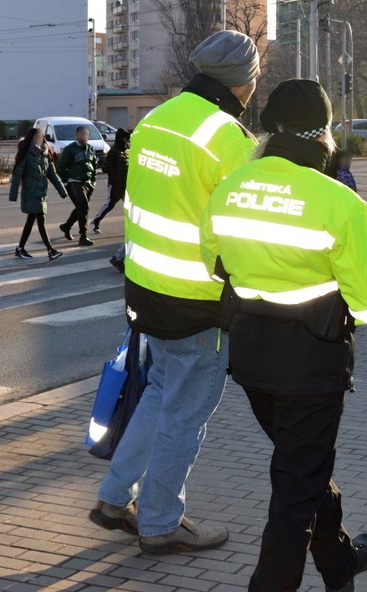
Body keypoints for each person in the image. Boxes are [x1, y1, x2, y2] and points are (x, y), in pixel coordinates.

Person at [199, 80, 367, 592]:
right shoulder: (339, 202)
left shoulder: (232, 186)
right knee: (294, 490)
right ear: (323, 133)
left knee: (300, 470)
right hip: (312, 366)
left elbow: (214, 263)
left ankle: (339, 563)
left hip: (252, 361)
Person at [89, 30, 260, 555]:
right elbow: (242, 229)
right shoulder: (230, 140)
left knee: (160, 394)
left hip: (145, 290)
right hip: (199, 303)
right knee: (184, 415)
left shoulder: (156, 120)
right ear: (242, 83)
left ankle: (116, 498)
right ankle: (162, 523)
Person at [8, 127, 66, 260]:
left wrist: (62, 190)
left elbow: (53, 174)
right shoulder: (27, 154)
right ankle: (50, 250)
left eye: (42, 137)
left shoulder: (45, 154)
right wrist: (13, 195)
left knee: (30, 221)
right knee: (41, 219)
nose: (40, 139)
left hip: (41, 193)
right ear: (32, 138)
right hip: (31, 192)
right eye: (37, 137)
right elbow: (17, 174)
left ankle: (20, 248)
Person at [57, 126, 98, 246]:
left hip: (88, 182)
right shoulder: (70, 149)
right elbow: (60, 167)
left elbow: (94, 165)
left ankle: (66, 226)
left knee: (81, 208)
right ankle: (83, 236)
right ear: (76, 135)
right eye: (81, 134)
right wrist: (66, 182)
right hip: (74, 182)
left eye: (86, 134)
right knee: (84, 206)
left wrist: (93, 180)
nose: (84, 137)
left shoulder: (90, 149)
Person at [91, 128, 131, 232]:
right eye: (124, 138)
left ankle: (132, 227)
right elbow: (108, 167)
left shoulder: (127, 150)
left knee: (130, 206)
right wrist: (116, 180)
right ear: (119, 138)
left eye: (127, 138)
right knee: (110, 204)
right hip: (115, 184)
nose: (126, 140)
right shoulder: (113, 151)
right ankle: (96, 221)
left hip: (126, 184)